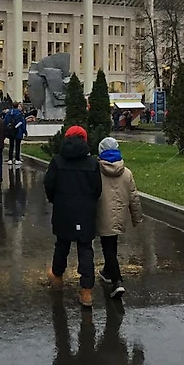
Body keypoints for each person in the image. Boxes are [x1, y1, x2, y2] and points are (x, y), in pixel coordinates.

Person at [44, 126, 102, 307]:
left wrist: (55, 200)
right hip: (85, 211)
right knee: (85, 248)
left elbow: (49, 184)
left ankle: (57, 277)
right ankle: (86, 292)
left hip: (63, 209)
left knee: (62, 244)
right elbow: (97, 189)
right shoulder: (92, 163)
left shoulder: (57, 161)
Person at [96, 137, 143, 299]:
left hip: (102, 214)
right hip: (119, 214)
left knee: (108, 248)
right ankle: (107, 271)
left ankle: (118, 281)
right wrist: (137, 218)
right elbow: (134, 197)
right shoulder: (127, 172)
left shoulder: (96, 170)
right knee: (112, 244)